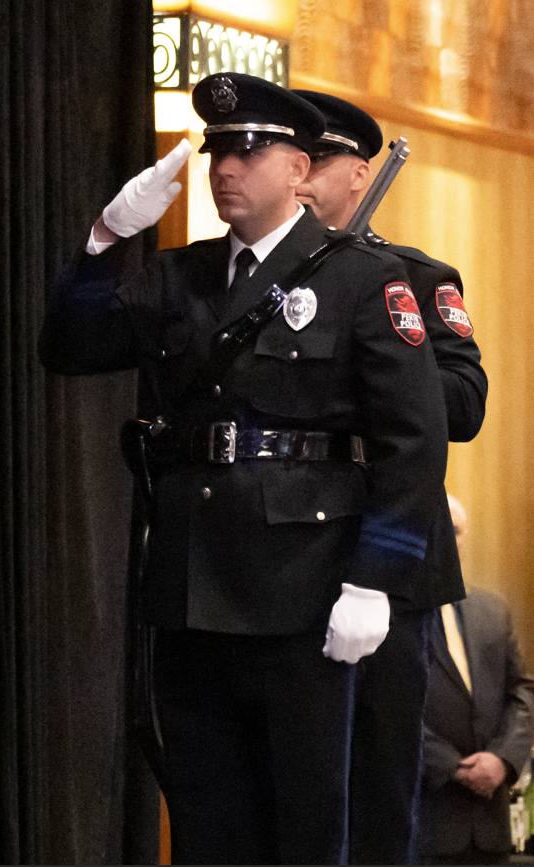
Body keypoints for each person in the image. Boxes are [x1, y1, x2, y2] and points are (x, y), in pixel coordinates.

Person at [39, 72, 454, 865]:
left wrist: (376, 578)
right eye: (219, 151)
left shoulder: (360, 279)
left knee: (307, 828)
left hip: (305, 591)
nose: (226, 167)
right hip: (193, 587)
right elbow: (69, 347)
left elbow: (414, 437)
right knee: (209, 827)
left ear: (298, 169)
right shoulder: (180, 276)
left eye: (250, 151)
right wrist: (105, 236)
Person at [292, 88, 488, 865]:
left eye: (317, 162)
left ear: (357, 174)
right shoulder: (259, 286)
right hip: (281, 556)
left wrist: (375, 358)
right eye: (290, 160)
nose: (299, 178)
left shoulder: (414, 277)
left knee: (375, 782)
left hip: (390, 554)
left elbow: (464, 404)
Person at [418, 494, 534, 865]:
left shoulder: (493, 610)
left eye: (455, 531)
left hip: (490, 829)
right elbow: (385, 709)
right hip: (424, 823)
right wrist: (452, 767)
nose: (448, 540)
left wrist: (503, 759)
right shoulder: (390, 618)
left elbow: (522, 692)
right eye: (438, 530)